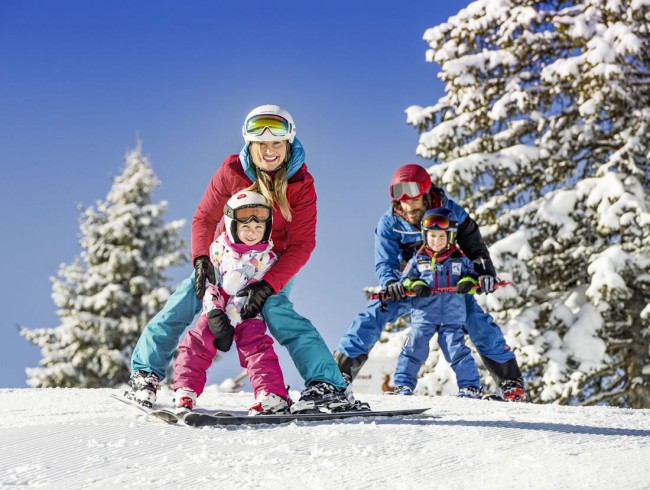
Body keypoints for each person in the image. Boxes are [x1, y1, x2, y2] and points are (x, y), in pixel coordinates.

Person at [128, 104, 366, 413]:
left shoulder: (300, 186)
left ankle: (327, 385)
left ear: (288, 144)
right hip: (225, 256)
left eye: (276, 143)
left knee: (278, 313)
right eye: (261, 144)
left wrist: (267, 285)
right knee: (184, 300)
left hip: (270, 263)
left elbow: (302, 243)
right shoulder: (232, 172)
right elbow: (204, 219)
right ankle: (145, 372)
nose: (269, 151)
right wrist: (202, 261)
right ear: (250, 145)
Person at [334, 163, 526, 402]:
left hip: (451, 287)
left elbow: (475, 247)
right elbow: (385, 262)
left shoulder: (451, 212)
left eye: (413, 198)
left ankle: (510, 385)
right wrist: (392, 283)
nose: (408, 206)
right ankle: (336, 377)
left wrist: (484, 273)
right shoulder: (390, 223)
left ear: (425, 193)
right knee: (372, 315)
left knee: (480, 324)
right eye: (401, 199)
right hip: (415, 288)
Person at [173, 191, 290, 415]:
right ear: (232, 225)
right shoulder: (217, 249)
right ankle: (185, 389)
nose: (252, 233)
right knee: (198, 340)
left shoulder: (267, 258)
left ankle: (271, 394)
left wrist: (233, 318)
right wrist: (215, 312)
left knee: (256, 347)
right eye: (246, 227)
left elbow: (255, 289)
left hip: (247, 311)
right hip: (217, 307)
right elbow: (211, 283)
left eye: (259, 228)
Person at [392, 208, 481, 398]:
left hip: (452, 316)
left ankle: (470, 387)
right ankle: (403, 386)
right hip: (424, 315)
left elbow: (474, 278)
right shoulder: (418, 260)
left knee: (456, 350)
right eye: (432, 236)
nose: (436, 240)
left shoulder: (460, 259)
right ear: (425, 235)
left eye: (442, 236)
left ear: (450, 237)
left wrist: (468, 282)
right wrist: (415, 284)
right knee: (414, 347)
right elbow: (405, 280)